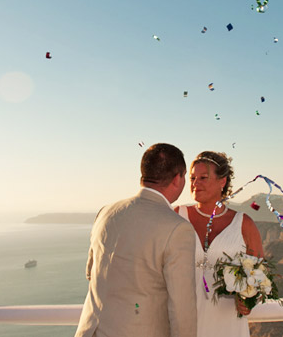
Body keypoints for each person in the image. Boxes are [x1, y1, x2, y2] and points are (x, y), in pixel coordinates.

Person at [75, 143, 197, 337]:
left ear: (143, 175)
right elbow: (182, 306)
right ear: (177, 179)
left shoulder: (106, 212)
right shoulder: (178, 229)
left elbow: (91, 272)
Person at [175, 151, 264, 337]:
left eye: (203, 177)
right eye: (192, 178)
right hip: (183, 320)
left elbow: (259, 276)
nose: (195, 183)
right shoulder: (177, 216)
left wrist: (248, 300)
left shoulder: (244, 223)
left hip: (227, 323)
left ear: (222, 182)